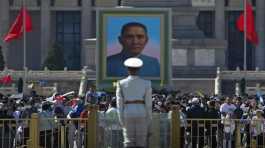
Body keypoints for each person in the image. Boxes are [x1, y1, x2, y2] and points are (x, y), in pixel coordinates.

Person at [116, 57, 152, 148]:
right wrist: (149, 119)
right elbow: (148, 104)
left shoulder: (121, 83)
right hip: (142, 113)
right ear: (139, 69)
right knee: (141, 142)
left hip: (127, 113)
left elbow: (119, 103)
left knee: (128, 142)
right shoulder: (147, 83)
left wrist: (121, 118)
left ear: (128, 69)